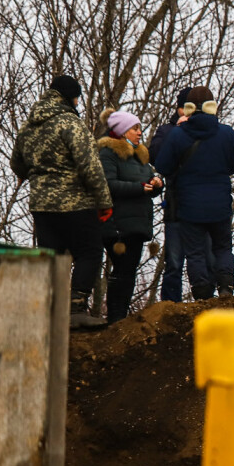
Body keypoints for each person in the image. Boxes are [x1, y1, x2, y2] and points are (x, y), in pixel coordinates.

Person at [10, 74, 113, 328]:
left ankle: (49, 310)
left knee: (53, 257)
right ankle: (76, 309)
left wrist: (35, 175)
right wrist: (104, 201)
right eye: (77, 97)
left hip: (42, 205)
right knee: (89, 251)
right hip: (75, 202)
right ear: (71, 97)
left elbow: (16, 163)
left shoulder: (29, 126)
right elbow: (90, 166)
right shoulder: (70, 123)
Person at [154, 85, 234, 299]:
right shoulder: (226, 133)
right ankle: (225, 287)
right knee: (222, 248)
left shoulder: (178, 135)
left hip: (189, 205)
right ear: (213, 106)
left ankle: (202, 294)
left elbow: (163, 166)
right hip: (220, 203)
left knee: (195, 253)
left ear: (188, 108)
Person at [96, 109, 163, 323]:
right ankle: (115, 318)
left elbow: (149, 181)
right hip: (117, 224)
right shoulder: (108, 153)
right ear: (123, 131)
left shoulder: (140, 155)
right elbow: (107, 184)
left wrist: (156, 184)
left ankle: (119, 317)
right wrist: (139, 188)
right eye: (135, 128)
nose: (139, 132)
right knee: (123, 270)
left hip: (137, 223)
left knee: (129, 270)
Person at [150, 87, 211, 302]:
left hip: (202, 204)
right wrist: (177, 132)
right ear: (180, 109)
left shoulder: (208, 130)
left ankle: (206, 300)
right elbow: (155, 155)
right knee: (174, 261)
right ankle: (169, 304)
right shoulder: (167, 130)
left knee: (206, 257)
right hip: (176, 204)